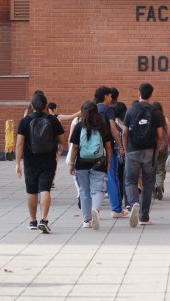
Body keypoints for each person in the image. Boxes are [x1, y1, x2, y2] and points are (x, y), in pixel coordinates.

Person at [16, 91, 66, 233]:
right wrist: (58, 148)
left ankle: (33, 221)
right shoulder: (53, 120)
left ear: (32, 105)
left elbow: (19, 143)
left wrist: (17, 163)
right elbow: (62, 140)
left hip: (31, 161)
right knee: (45, 189)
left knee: (31, 191)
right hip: (48, 160)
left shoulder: (25, 121)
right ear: (46, 106)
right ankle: (44, 220)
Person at [122, 83, 164, 227]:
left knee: (130, 181)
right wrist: (157, 149)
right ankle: (144, 217)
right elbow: (160, 134)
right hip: (150, 152)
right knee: (148, 183)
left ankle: (134, 203)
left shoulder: (131, 110)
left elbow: (125, 132)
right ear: (151, 94)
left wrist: (125, 148)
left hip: (133, 150)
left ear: (138, 93)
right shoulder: (155, 112)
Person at [68, 101, 113, 229]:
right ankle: (96, 211)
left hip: (82, 163)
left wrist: (72, 163)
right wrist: (108, 161)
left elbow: (75, 147)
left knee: (84, 191)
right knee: (98, 189)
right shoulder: (102, 125)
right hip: (99, 162)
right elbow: (109, 146)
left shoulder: (78, 126)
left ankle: (86, 220)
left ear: (83, 112)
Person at [95, 86, 128, 218]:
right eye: (109, 96)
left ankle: (92, 210)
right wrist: (120, 146)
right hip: (107, 147)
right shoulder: (108, 110)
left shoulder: (92, 109)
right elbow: (113, 129)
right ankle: (116, 209)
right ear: (105, 96)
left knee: (94, 178)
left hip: (93, 149)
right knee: (111, 177)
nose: (111, 98)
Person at [152, 102, 170, 201]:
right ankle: (159, 184)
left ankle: (154, 187)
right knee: (161, 169)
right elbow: (168, 133)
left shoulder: (150, 119)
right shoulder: (164, 119)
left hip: (152, 148)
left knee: (152, 169)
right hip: (163, 147)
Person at [113, 101, 128, 208]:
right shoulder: (128, 121)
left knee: (118, 178)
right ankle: (128, 202)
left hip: (117, 153)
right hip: (128, 153)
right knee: (128, 178)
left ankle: (119, 199)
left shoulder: (113, 123)